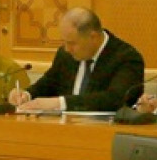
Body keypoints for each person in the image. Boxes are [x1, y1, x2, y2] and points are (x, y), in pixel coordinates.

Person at [10, 7, 145, 112]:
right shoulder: (65, 55)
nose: (67, 49)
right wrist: (26, 94)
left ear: (93, 37)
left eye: (72, 43)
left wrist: (61, 103)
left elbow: (115, 99)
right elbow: (49, 83)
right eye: (64, 42)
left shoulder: (127, 58)